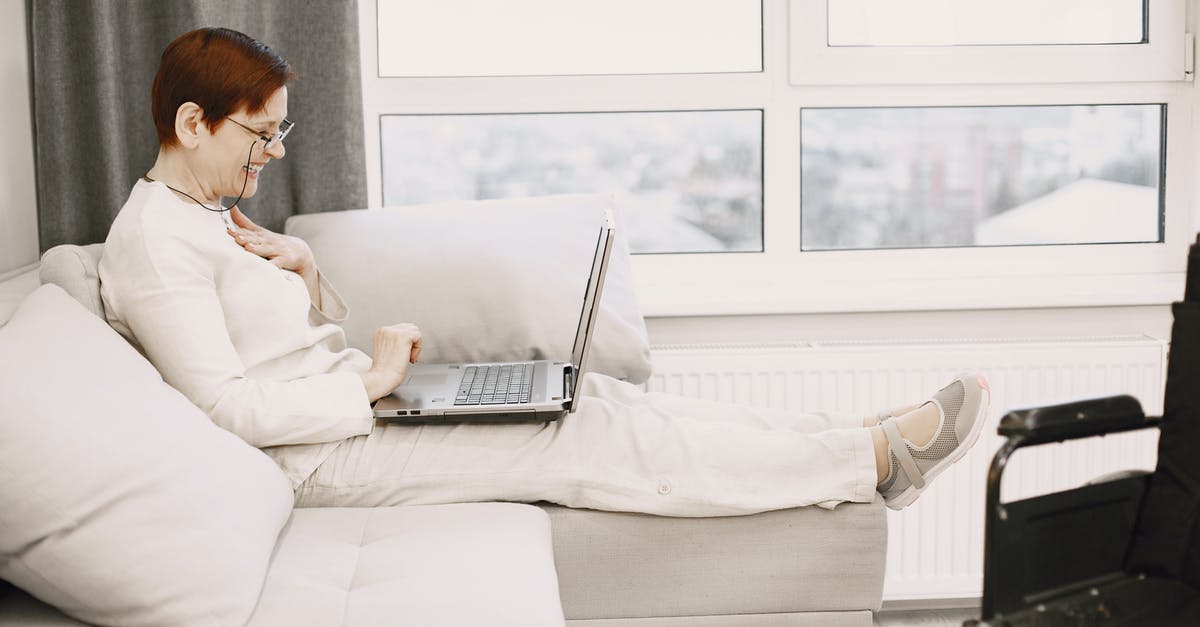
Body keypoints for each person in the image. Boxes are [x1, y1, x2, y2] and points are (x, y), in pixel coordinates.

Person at [99, 27, 989, 517]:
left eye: (279, 135)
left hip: (351, 416)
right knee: (578, 438)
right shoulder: (153, 245)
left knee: (599, 399)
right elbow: (225, 409)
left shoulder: (208, 214)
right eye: (261, 135)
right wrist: (369, 384)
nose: (271, 158)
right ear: (190, 122)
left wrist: (302, 268)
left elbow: (277, 344)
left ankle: (850, 436)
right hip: (322, 461)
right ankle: (870, 460)